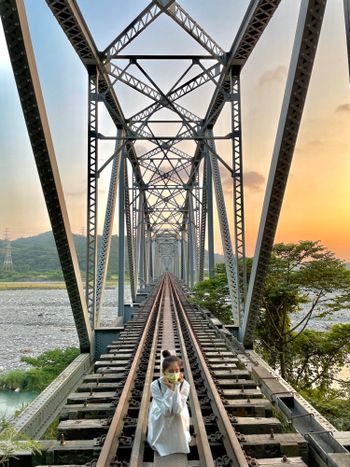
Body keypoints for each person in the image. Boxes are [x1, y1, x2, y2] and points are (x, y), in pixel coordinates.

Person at [147, 350, 191, 457]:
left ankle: (179, 441)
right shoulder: (155, 385)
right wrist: (170, 391)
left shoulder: (184, 385)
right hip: (161, 410)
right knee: (163, 416)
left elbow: (177, 410)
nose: (174, 374)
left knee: (179, 415)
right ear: (164, 371)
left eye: (177, 370)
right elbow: (166, 412)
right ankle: (161, 442)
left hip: (178, 408)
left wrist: (176, 387)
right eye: (170, 371)